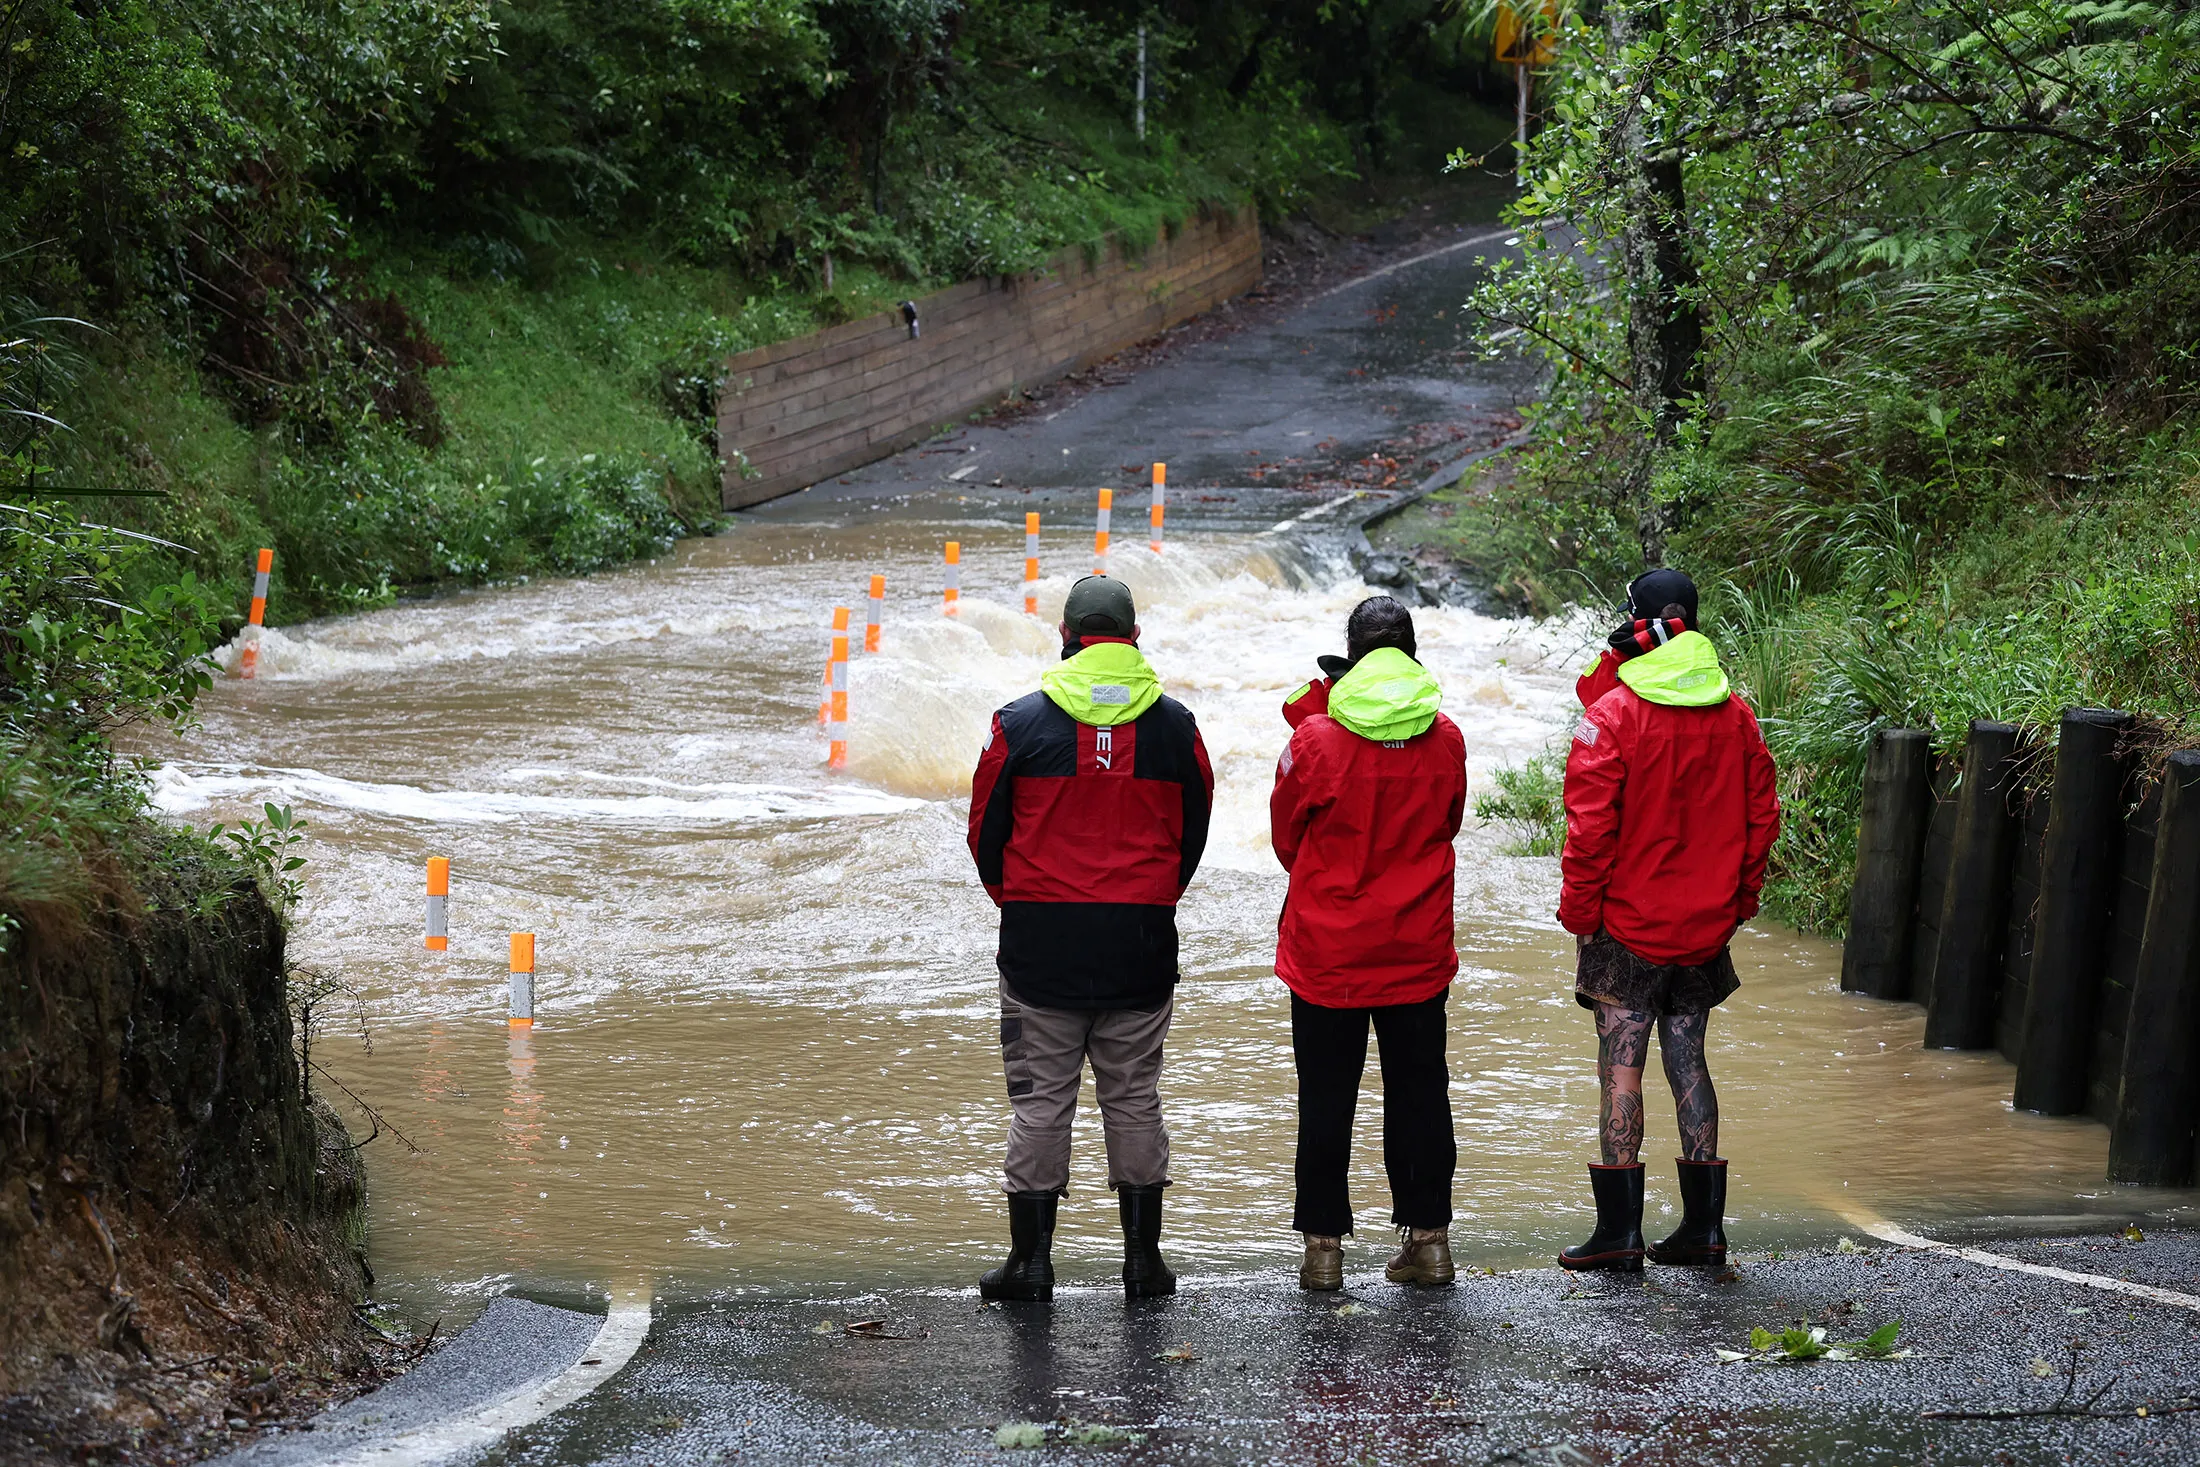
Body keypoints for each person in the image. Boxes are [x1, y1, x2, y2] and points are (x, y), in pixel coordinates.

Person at [967, 574, 1215, 1302]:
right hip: (1139, 937)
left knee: (1041, 1101)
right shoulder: (1178, 728)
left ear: (1068, 639)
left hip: (1041, 941)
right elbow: (1192, 835)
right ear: (1133, 638)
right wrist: (1154, 897)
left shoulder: (1018, 725)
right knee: (1135, 1096)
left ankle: (1030, 1264)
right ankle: (1143, 1263)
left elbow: (985, 835)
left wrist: (1018, 904)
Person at [1555, 568, 1780, 1271]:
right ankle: (1703, 1231)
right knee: (1689, 1059)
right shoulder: (1735, 713)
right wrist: (1739, 902)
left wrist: (1581, 916)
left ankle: (1619, 1234)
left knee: (1621, 1065)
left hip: (1626, 923)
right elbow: (1761, 819)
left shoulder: (1615, 715)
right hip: (1704, 923)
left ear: (1637, 625)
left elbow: (1589, 830)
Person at [1270, 596, 1467, 1291]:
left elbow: (1285, 839)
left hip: (1329, 952)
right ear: (1412, 657)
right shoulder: (1446, 737)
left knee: (1327, 1097)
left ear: (1351, 659)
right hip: (1415, 947)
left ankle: (1324, 1252)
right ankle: (1429, 1241)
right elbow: (1448, 823)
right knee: (1419, 1093)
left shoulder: (1317, 740)